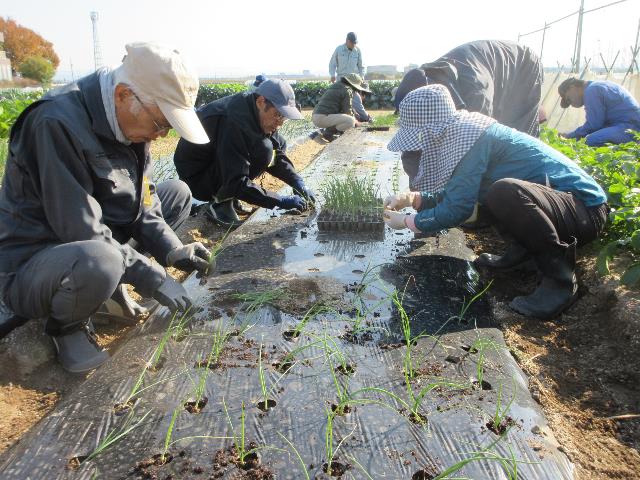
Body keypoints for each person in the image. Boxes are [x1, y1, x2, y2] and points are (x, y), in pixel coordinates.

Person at [0, 42, 213, 372]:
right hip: (36, 262)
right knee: (102, 258)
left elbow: (145, 205)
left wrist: (173, 250)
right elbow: (79, 227)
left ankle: (107, 285)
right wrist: (153, 277)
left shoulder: (132, 128)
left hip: (91, 241)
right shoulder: (54, 124)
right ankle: (66, 328)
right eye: (160, 124)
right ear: (124, 96)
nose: (160, 134)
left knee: (177, 193)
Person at [383, 85, 608, 320]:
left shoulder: (471, 138)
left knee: (503, 192)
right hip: (560, 209)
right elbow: (461, 193)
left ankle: (559, 280)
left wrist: (410, 222)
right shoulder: (465, 133)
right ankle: (522, 253)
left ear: (432, 130)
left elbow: (459, 208)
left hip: (585, 210)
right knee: (495, 192)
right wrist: (414, 199)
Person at [394, 40, 543, 187]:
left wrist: (450, 195)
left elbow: (475, 152)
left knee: (509, 150)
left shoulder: (475, 97)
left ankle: (520, 191)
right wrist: (417, 192)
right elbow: (413, 151)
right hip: (484, 64)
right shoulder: (424, 87)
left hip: (522, 67)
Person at [173, 79, 316, 228]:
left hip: (216, 164)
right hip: (197, 178)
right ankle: (220, 202)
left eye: (283, 117)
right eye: (278, 115)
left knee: (274, 145)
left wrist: (297, 182)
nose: (280, 122)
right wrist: (279, 200)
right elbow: (237, 180)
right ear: (261, 102)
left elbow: (276, 154)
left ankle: (229, 196)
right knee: (263, 150)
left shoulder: (255, 111)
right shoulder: (234, 121)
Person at [558, 77, 640, 146]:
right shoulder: (595, 86)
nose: (571, 104)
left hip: (631, 127)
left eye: (569, 99)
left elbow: (594, 125)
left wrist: (570, 136)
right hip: (627, 125)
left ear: (572, 87)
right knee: (589, 137)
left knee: (590, 140)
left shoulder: (591, 91)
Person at [312, 73, 371, 140]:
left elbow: (344, 107)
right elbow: (347, 111)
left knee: (351, 118)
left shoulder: (336, 85)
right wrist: (357, 122)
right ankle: (328, 132)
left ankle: (330, 131)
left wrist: (354, 113)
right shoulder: (347, 90)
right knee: (350, 121)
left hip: (317, 116)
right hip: (323, 118)